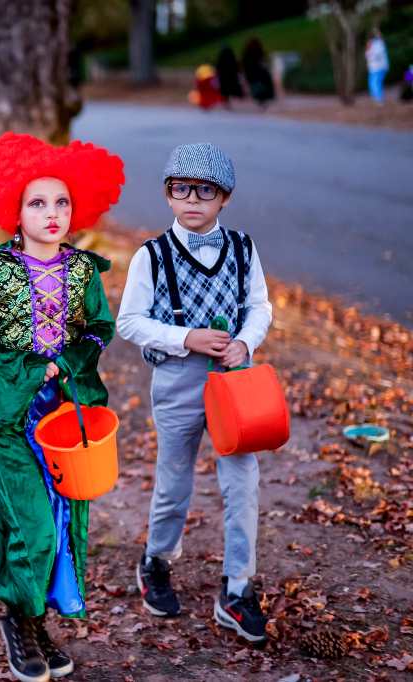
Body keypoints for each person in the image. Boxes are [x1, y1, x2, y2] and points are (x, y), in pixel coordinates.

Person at [0, 133, 124, 682]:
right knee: (26, 518)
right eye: (37, 202)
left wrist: (69, 363)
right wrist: (30, 369)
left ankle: (34, 619)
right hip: (5, 415)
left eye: (62, 202)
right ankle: (17, 619)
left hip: (61, 416)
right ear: (14, 212)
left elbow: (99, 327)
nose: (52, 214)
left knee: (59, 514)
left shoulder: (82, 271)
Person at [116, 143, 273, 644]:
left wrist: (245, 341)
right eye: (181, 189)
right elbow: (130, 322)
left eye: (204, 191)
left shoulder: (244, 248)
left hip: (233, 382)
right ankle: (156, 560)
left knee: (243, 482)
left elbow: (260, 306)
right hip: (178, 381)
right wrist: (185, 337)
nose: (192, 200)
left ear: (223, 198)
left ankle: (237, 588)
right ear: (168, 195)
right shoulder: (152, 255)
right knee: (175, 479)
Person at [241, 38, 275, 108]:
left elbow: (245, 64)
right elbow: (263, 61)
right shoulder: (257, 51)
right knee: (261, 87)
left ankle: (261, 100)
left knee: (258, 87)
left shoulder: (248, 52)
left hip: (254, 74)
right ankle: (262, 100)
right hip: (258, 73)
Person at [365, 29, 390, 106]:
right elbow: (367, 56)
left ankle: (379, 99)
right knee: (373, 83)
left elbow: (376, 55)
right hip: (373, 68)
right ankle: (377, 98)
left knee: (376, 83)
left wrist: (370, 53)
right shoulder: (371, 45)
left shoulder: (378, 44)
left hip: (379, 67)